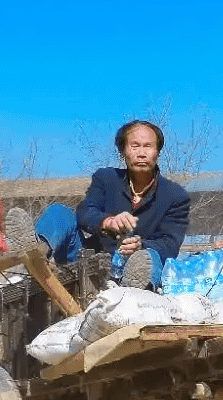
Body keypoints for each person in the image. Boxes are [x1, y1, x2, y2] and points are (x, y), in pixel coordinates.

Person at [71, 120, 191, 288]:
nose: (141, 153)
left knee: (150, 257)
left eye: (148, 146)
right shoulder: (106, 178)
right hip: (95, 260)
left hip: (138, 264)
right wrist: (107, 222)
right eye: (135, 146)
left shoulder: (175, 196)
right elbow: (85, 213)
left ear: (157, 152)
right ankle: (36, 256)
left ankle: (136, 292)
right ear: (123, 152)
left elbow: (170, 244)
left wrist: (141, 245)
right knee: (58, 214)